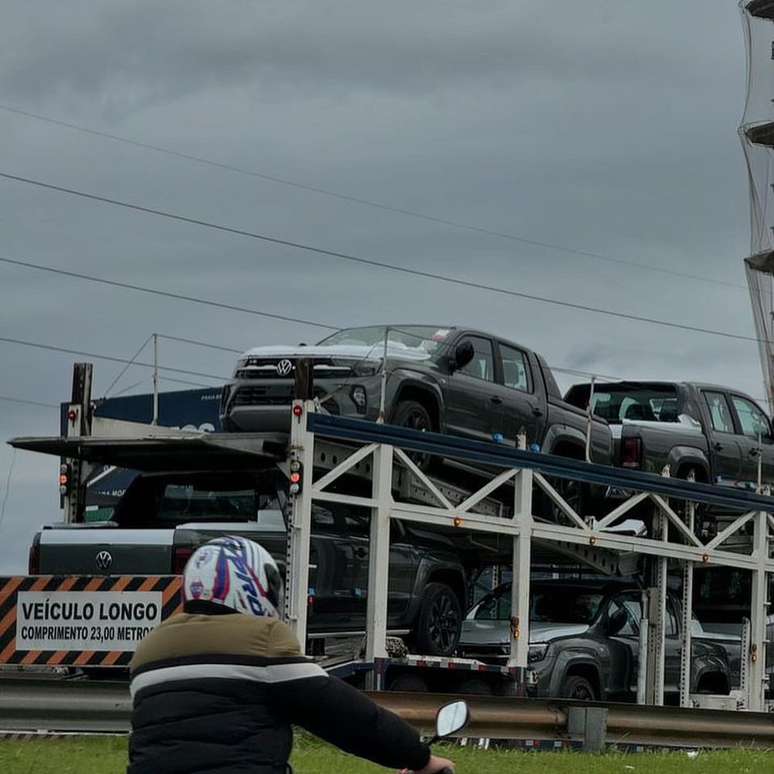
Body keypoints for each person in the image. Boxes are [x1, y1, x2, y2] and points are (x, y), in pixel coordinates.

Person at [128, 535, 455, 774]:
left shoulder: (148, 652)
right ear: (248, 583)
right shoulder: (261, 641)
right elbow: (346, 715)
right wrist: (418, 757)